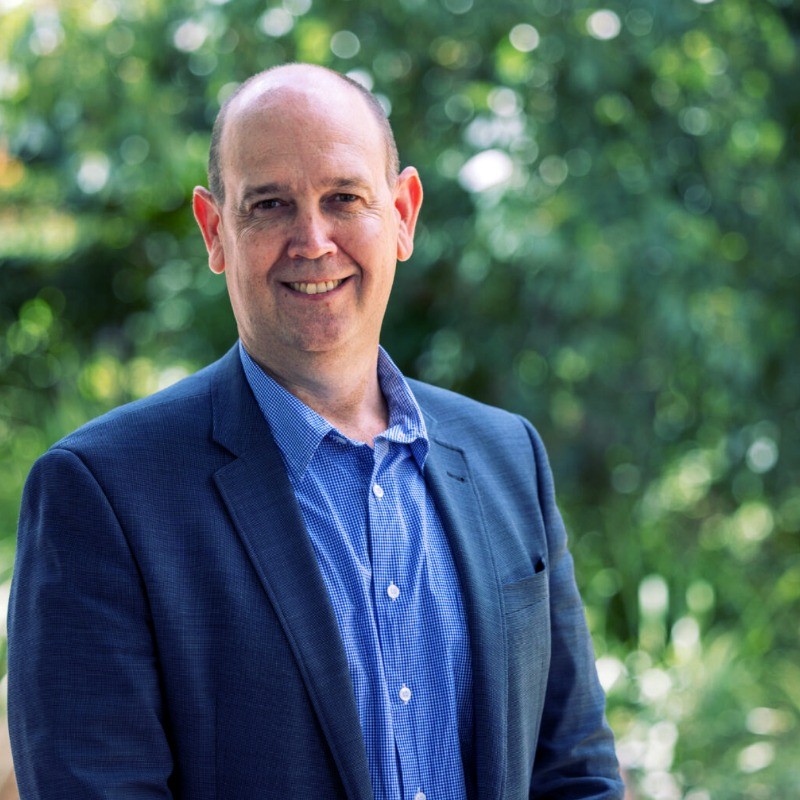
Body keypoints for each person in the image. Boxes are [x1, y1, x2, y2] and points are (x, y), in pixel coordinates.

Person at [7, 63, 624, 799]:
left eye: (344, 198)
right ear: (215, 232)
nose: (312, 239)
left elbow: (576, 773)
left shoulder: (506, 458)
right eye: (268, 205)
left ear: (402, 213)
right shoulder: (104, 494)